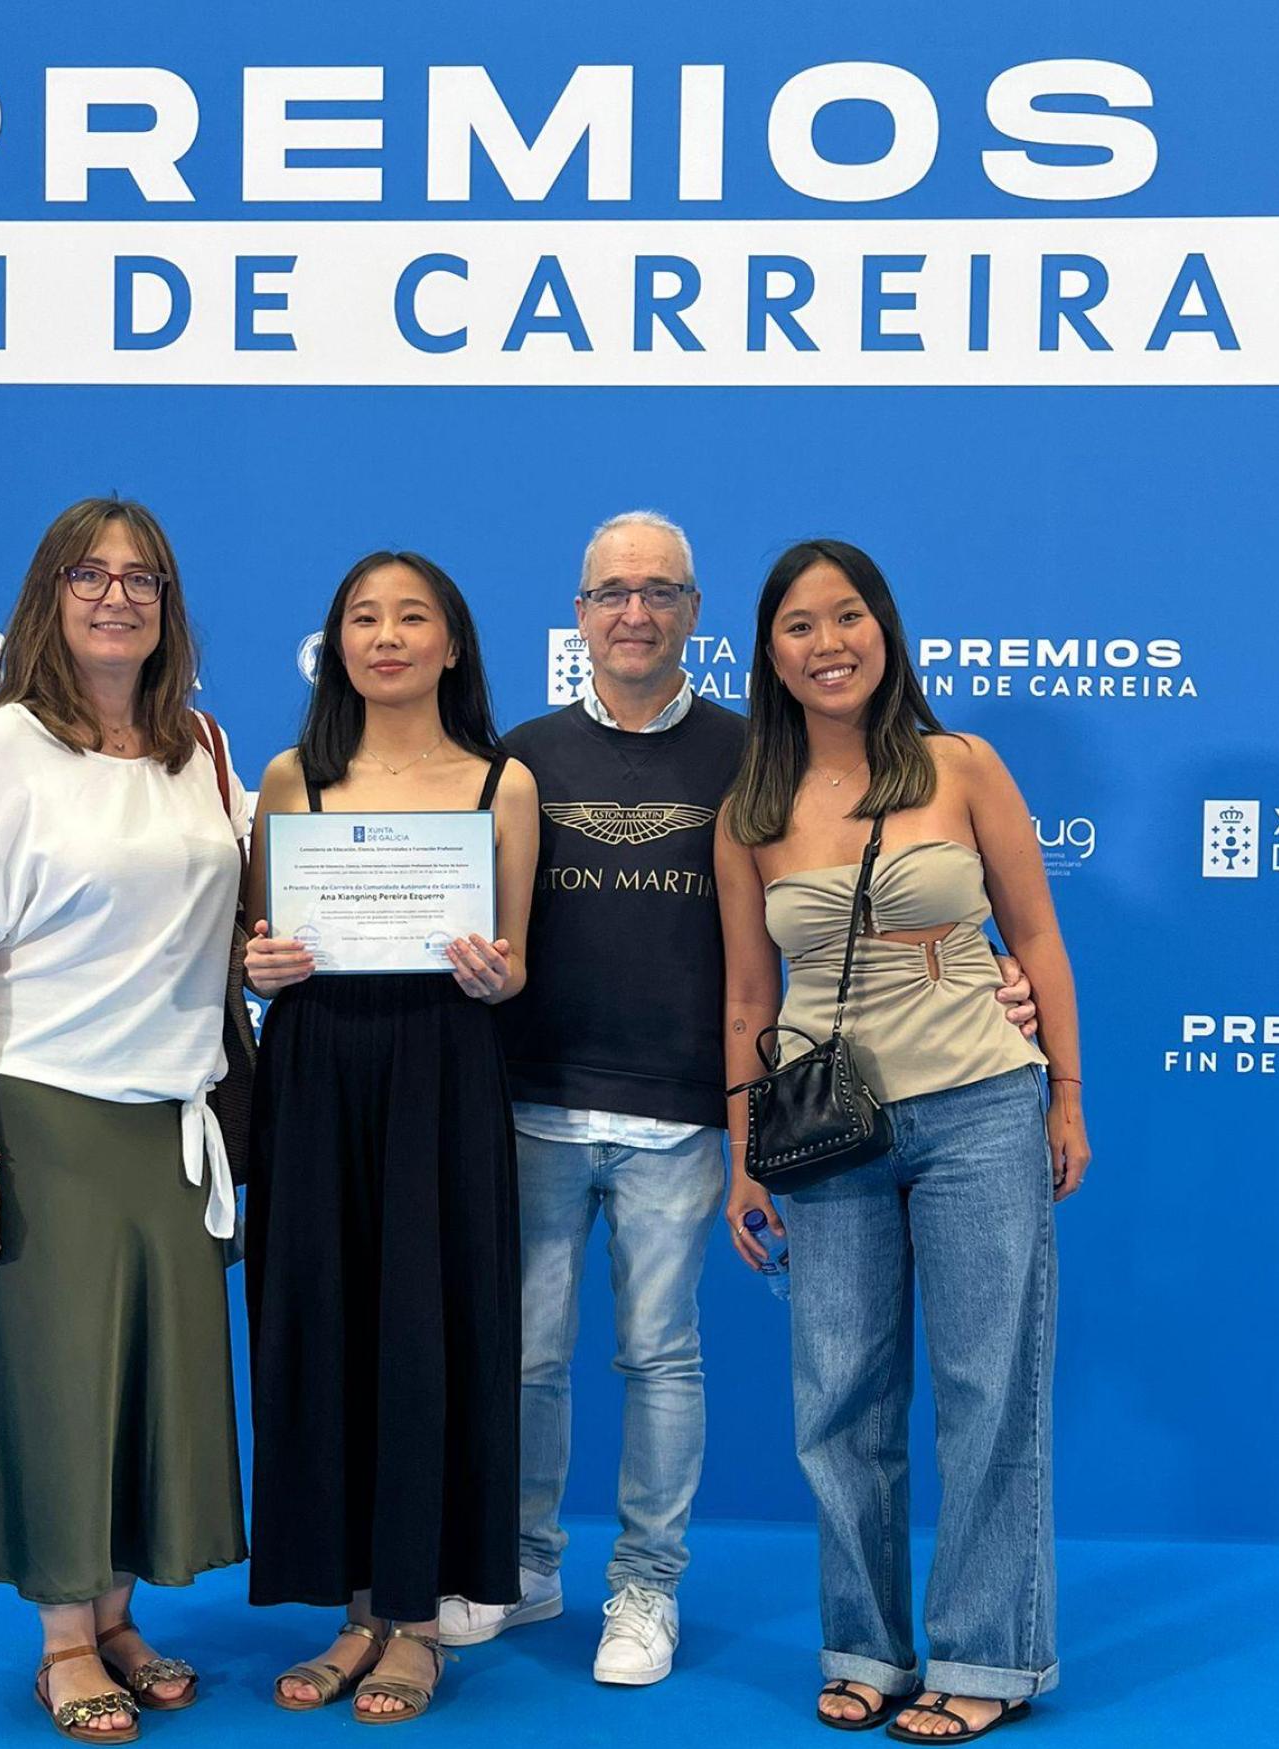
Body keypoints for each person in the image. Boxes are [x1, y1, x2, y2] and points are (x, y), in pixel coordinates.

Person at [440, 512, 1042, 1687]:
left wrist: (994, 983)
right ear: (576, 614)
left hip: (688, 1117)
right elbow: (477, 931)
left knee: (661, 1360)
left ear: (695, 614)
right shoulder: (515, 758)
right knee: (525, 1359)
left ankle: (645, 1593)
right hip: (534, 1105)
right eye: (610, 591)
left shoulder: (749, 760)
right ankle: (520, 1567)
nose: (633, 611)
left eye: (659, 590)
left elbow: (864, 925)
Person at [716, 538, 1090, 1743]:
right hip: (824, 1135)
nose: (826, 645)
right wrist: (741, 1156)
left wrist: (1064, 1096)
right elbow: (742, 1002)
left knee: (989, 1389)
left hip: (981, 1102)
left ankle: (984, 1653)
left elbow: (1035, 938)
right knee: (838, 1401)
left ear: (883, 628)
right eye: (797, 627)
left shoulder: (958, 765)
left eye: (846, 617)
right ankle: (864, 1647)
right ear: (766, 654)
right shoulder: (749, 810)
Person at [0, 496, 248, 1744]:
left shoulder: (200, 745)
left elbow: (233, 929)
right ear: (47, 599)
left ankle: (114, 1617)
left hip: (171, 1127)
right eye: (89, 576)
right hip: (43, 1120)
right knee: (58, 1389)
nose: (118, 597)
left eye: (143, 578)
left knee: (135, 1391)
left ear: (169, 606)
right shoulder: (3, 749)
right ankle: (64, 1643)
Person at [243, 549, 539, 1725]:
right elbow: (258, 950)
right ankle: (350, 1607)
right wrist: (258, 967)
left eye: (412, 616)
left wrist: (495, 973)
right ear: (335, 645)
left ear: (452, 644)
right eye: (363, 617)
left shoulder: (498, 785)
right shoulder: (287, 779)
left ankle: (414, 1622)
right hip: (313, 1072)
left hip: (443, 1073)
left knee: (428, 1328)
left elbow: (516, 970)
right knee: (321, 1326)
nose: (387, 636)